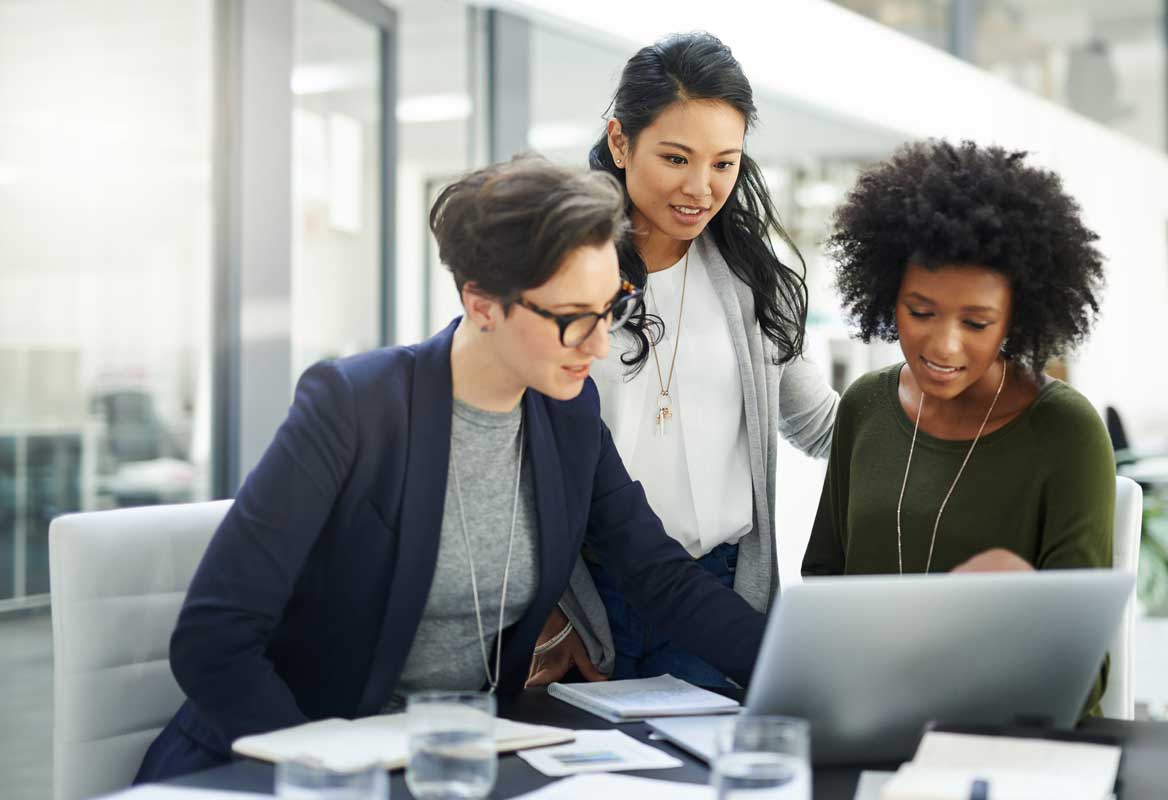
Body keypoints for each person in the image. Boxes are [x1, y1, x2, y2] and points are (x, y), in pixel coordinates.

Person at [134, 157, 767, 782]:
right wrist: (332, 776)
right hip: (291, 765)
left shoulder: (566, 417)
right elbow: (213, 640)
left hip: (454, 763)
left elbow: (658, 576)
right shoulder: (354, 407)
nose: (600, 345)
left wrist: (795, 665)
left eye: (611, 310)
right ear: (483, 302)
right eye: (574, 319)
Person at [526, 32, 837, 690]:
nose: (701, 187)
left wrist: (948, 405)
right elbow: (512, 452)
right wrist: (551, 612)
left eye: (724, 163)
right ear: (619, 142)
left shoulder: (754, 282)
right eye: (676, 157)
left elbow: (819, 423)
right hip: (587, 601)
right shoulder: (559, 275)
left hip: (718, 595)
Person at [802, 139, 1113, 716]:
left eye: (976, 322)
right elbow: (823, 583)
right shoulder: (865, 406)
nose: (943, 345)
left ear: (1016, 319)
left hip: (1009, 736)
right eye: (920, 312)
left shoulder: (1067, 433)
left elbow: (1083, 670)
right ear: (886, 295)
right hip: (869, 717)